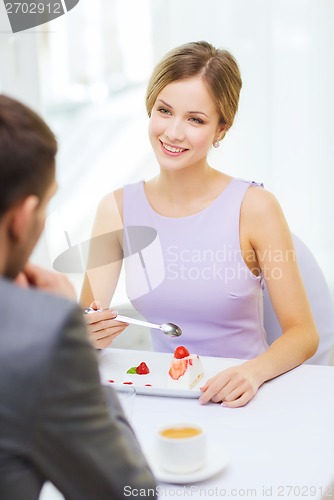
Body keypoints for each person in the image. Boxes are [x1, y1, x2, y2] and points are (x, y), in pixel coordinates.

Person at [80, 41, 319, 408]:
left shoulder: (255, 207)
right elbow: (85, 325)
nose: (173, 132)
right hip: (161, 396)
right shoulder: (116, 209)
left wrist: (253, 372)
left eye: (195, 119)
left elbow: (304, 334)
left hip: (245, 397)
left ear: (221, 129)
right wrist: (88, 333)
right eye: (164, 110)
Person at [0, 95, 156, 499]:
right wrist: (63, 330)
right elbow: (130, 493)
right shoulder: (41, 335)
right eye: (48, 204)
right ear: (22, 216)